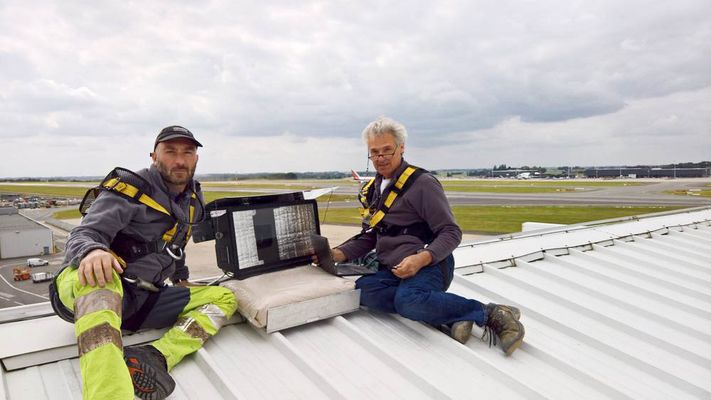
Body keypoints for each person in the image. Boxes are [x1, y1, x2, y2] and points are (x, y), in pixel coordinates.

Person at [50, 126, 238, 400]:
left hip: (139, 300)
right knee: (101, 279)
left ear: (196, 158)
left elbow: (177, 243)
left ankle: (157, 355)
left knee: (223, 297)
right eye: (170, 151)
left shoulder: (193, 199)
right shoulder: (128, 190)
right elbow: (84, 233)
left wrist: (181, 278)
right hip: (89, 291)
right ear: (154, 156)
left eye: (188, 152)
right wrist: (92, 252)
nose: (180, 160)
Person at [327, 117, 524, 355]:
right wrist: (336, 254)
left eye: (387, 150)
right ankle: (450, 317)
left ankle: (491, 313)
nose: (380, 157)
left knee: (409, 301)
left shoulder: (422, 184)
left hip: (431, 265)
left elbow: (451, 232)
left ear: (401, 148)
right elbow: (370, 236)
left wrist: (421, 259)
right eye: (374, 152)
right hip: (394, 268)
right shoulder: (373, 190)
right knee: (360, 291)